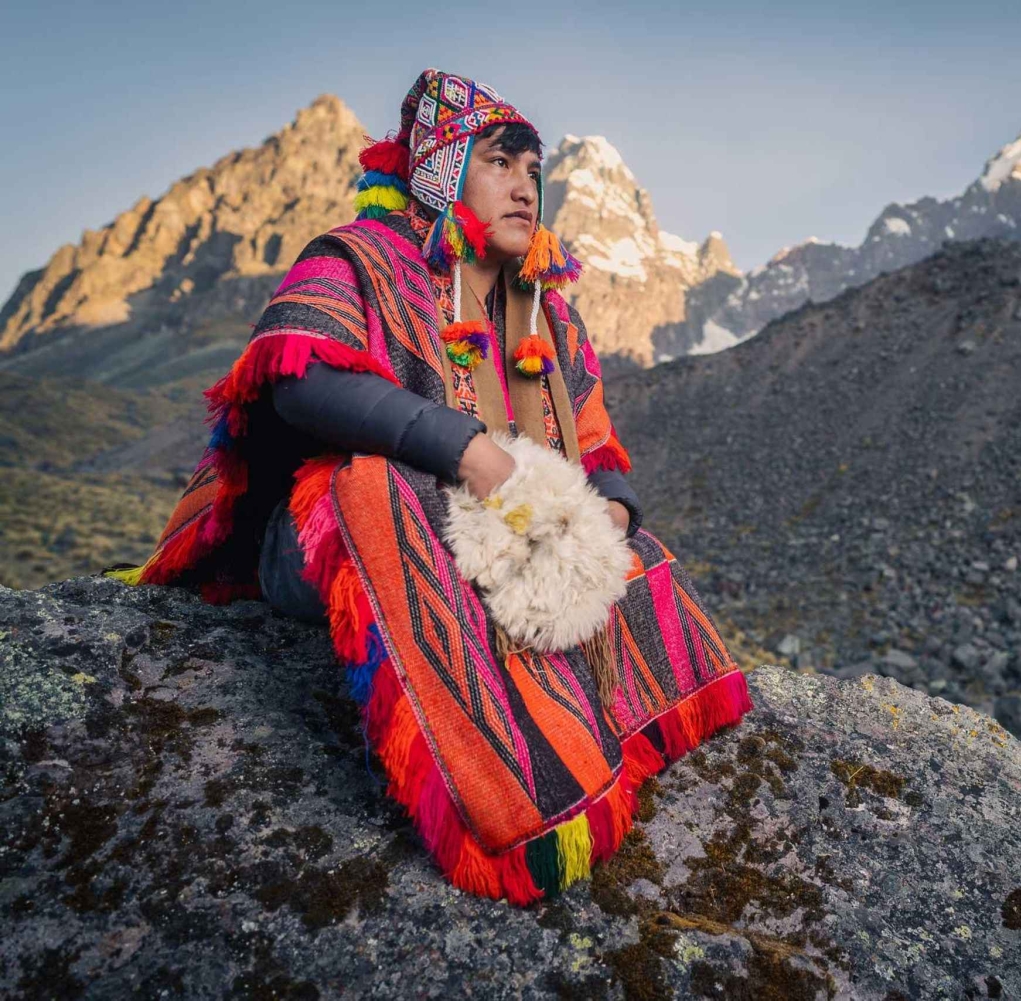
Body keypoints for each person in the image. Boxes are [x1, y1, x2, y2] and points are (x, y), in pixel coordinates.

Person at [108, 68, 752, 904]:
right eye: (501, 162)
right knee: (388, 490)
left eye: (534, 170)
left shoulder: (546, 310)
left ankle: (610, 738)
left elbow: (596, 448)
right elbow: (301, 377)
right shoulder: (358, 257)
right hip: (329, 539)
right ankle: (515, 800)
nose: (526, 186)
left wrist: (611, 515)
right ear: (445, 173)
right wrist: (475, 454)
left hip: (492, 534)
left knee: (634, 554)